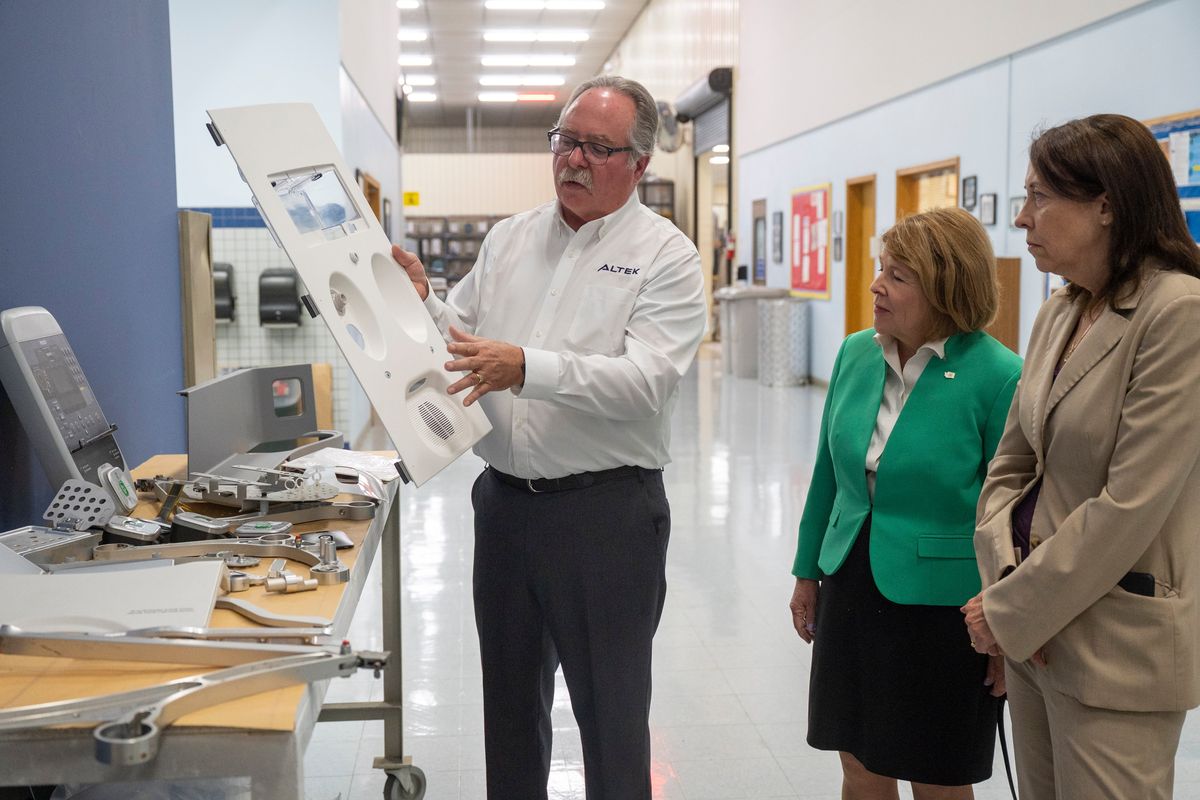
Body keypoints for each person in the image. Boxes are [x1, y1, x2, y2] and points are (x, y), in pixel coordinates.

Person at [390, 75, 706, 800]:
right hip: (505, 512)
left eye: (599, 147)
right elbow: (461, 340)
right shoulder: (510, 239)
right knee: (508, 710)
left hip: (607, 518)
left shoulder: (667, 258)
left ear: (639, 164)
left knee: (612, 720)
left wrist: (527, 367)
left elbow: (645, 381)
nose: (575, 159)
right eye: (566, 141)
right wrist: (424, 307)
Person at [964, 114, 1200, 799]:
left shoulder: (1177, 313)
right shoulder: (1059, 312)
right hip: (1038, 635)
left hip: (1115, 646)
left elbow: (1131, 505)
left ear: (1105, 205)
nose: (1022, 216)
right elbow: (1010, 466)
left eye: (1040, 197)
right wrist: (1011, 591)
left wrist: (1015, 612)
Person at [790, 207, 1020, 798]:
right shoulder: (856, 353)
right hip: (852, 580)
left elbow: (1014, 513)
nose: (876, 286)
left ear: (945, 286)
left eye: (897, 275)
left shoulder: (998, 375)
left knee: (937, 775)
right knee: (859, 763)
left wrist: (1007, 625)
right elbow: (827, 474)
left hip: (946, 607)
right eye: (880, 269)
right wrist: (807, 573)